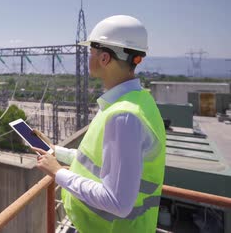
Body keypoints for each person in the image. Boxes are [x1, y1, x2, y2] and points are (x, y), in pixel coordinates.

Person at [33, 15, 166, 233]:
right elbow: (105, 164)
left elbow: (117, 202)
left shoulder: (124, 117)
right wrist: (57, 152)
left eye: (91, 53)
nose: (88, 59)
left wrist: (58, 173)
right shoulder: (138, 102)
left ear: (104, 58)